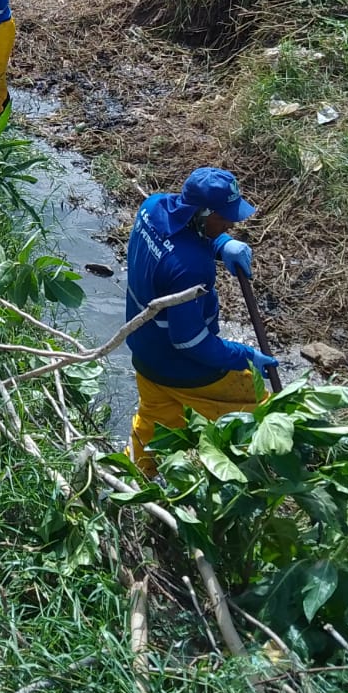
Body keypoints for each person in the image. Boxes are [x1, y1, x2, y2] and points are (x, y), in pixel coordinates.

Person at [123, 166, 278, 475]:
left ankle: (133, 481)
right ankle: (251, 479)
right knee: (259, 408)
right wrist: (244, 355)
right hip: (185, 370)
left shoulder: (152, 207)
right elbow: (190, 342)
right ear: (203, 213)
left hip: (145, 355)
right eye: (224, 217)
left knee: (155, 426)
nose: (232, 223)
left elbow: (177, 235)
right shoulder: (192, 269)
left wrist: (220, 245)